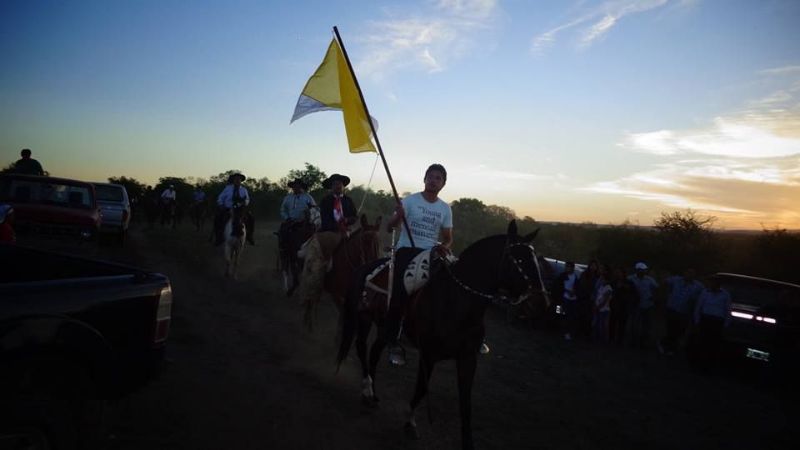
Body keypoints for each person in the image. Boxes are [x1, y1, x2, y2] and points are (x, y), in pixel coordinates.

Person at [385, 163, 453, 366]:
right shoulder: (410, 201)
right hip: (408, 250)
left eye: (438, 178)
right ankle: (392, 339)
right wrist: (398, 216)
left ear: (443, 183)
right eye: (430, 177)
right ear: (424, 179)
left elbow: (448, 238)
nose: (433, 181)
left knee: (452, 283)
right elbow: (390, 228)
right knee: (401, 291)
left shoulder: (445, 208)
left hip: (431, 252)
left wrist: (444, 246)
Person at [659, 268, 704, 355]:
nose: (689, 275)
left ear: (694, 276)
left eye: (691, 273)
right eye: (687, 273)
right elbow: (664, 282)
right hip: (672, 309)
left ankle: (670, 346)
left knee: (680, 330)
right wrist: (664, 295)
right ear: (684, 273)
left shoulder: (698, 286)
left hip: (684, 312)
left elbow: (703, 295)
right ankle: (666, 346)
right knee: (671, 329)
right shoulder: (676, 280)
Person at [692, 277, 731, 369]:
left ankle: (709, 365)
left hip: (717, 322)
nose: (713, 284)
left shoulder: (725, 295)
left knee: (713, 345)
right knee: (702, 343)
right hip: (705, 320)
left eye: (715, 283)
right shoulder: (705, 292)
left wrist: (726, 324)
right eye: (712, 282)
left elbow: (727, 310)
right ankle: (698, 364)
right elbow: (698, 306)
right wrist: (697, 321)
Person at [214, 173, 255, 245]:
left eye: (239, 179)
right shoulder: (227, 188)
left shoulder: (244, 190)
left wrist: (244, 202)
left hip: (240, 209)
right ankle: (219, 237)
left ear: (241, 181)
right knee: (218, 217)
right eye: (236, 179)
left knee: (251, 217)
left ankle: (249, 236)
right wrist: (221, 204)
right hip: (228, 208)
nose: (237, 181)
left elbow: (247, 199)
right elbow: (220, 198)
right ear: (233, 180)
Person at [627, 262, 659, 348]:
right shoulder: (630, 279)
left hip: (648, 305)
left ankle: (644, 341)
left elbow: (657, 288)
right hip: (636, 305)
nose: (642, 272)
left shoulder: (650, 279)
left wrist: (654, 297)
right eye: (641, 270)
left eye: (644, 270)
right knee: (635, 324)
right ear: (637, 270)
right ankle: (633, 341)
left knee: (646, 325)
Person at [278, 178, 317, 249]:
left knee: (314, 234)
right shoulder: (288, 198)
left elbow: (314, 209)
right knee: (283, 231)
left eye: (298, 186)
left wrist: (309, 216)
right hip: (290, 221)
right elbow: (283, 210)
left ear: (302, 187)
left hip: (305, 222)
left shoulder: (308, 197)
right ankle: (283, 250)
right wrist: (287, 218)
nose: (296, 188)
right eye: (294, 186)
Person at [609, 267, 636, 345]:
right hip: (614, 305)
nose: (618, 274)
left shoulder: (629, 283)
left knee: (622, 324)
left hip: (624, 306)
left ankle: (619, 340)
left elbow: (633, 293)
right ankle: (611, 339)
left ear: (623, 274)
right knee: (612, 323)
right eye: (617, 272)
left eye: (619, 272)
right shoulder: (613, 282)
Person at [555, 261, 579, 341]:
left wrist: (574, 292)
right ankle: (560, 331)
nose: (567, 268)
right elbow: (558, 286)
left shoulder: (575, 277)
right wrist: (566, 291)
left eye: (568, 267)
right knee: (560, 314)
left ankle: (568, 333)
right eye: (566, 266)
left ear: (572, 268)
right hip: (562, 299)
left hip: (572, 300)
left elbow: (578, 288)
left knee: (570, 316)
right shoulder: (562, 276)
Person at [592, 267, 613, 342]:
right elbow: (597, 296)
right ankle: (596, 338)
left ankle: (603, 340)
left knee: (603, 325)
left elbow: (605, 300)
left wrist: (598, 307)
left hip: (604, 310)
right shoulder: (601, 287)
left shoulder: (609, 288)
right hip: (598, 308)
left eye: (603, 279)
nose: (601, 280)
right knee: (596, 324)